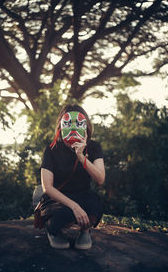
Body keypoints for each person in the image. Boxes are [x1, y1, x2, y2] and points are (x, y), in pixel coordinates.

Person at [39, 104, 105, 250]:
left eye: (79, 123)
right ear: (61, 126)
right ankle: (53, 231)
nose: (74, 128)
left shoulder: (93, 147)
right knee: (63, 215)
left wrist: (81, 156)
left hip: (83, 195)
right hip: (58, 199)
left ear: (86, 126)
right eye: (68, 123)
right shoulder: (51, 149)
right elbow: (47, 187)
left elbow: (100, 179)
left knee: (95, 208)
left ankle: (85, 231)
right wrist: (75, 207)